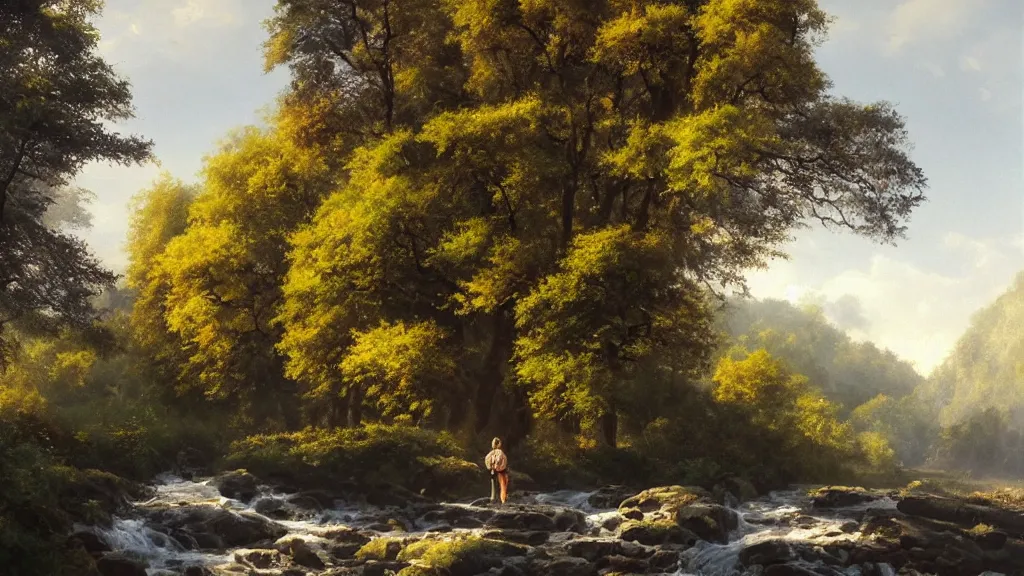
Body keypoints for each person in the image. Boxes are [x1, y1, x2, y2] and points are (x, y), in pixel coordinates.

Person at [485, 437, 509, 504]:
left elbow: (486, 459)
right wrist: (498, 467)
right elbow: (499, 460)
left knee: (493, 485)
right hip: (500, 471)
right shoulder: (500, 452)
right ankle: (502, 500)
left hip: (493, 471)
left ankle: (493, 499)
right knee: (502, 485)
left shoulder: (491, 452)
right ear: (498, 444)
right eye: (500, 443)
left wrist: (491, 468)